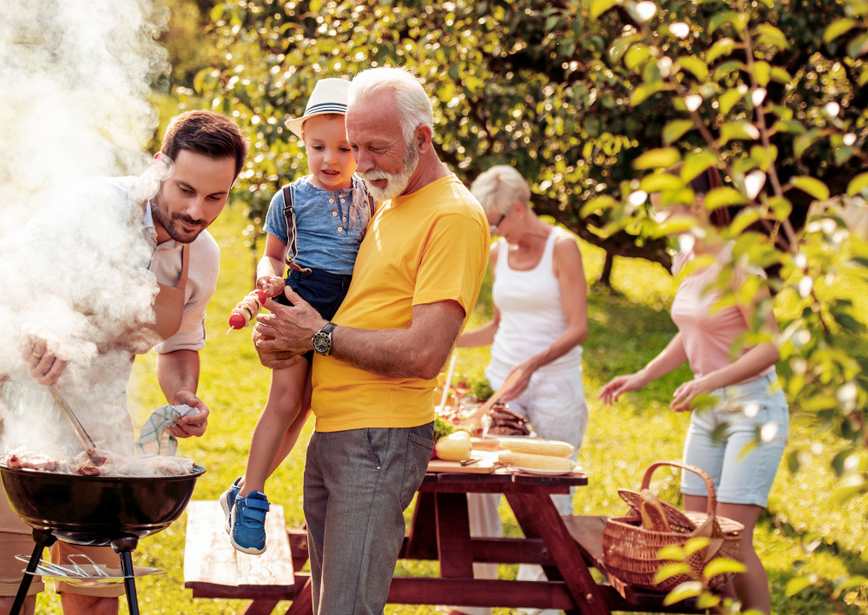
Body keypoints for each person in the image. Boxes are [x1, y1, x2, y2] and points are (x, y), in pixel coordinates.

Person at [0, 110, 249, 615]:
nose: (197, 211)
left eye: (215, 197)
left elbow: (178, 347)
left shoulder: (203, 257)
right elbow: (4, 267)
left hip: (100, 425)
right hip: (11, 405)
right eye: (185, 190)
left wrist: (182, 396)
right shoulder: (95, 207)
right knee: (6, 596)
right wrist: (39, 322)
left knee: (95, 597)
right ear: (159, 167)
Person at [252, 66, 489, 615]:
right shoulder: (385, 199)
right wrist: (286, 339)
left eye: (375, 148)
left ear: (422, 138)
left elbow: (426, 354)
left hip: (379, 441)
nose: (361, 163)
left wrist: (319, 336)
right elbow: (349, 305)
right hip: (335, 430)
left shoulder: (453, 216)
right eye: (355, 146)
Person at [599, 169, 788, 615]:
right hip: (710, 414)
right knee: (698, 544)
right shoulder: (686, 258)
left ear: (700, 204)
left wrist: (709, 381)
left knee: (732, 548)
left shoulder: (740, 264)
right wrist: (643, 375)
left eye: (667, 203)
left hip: (753, 410)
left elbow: (770, 346)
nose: (657, 213)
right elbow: (692, 331)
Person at [222, 78, 374, 555]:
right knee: (286, 402)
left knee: (307, 407)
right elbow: (272, 255)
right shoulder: (288, 199)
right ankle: (251, 498)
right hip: (297, 300)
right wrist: (268, 277)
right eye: (318, 147)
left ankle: (243, 485)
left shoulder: (370, 198)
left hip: (342, 311)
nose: (330, 159)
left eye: (344, 148)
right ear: (303, 143)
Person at [451, 164, 589, 615]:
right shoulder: (497, 253)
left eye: (497, 222)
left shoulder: (562, 248)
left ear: (519, 207)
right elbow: (497, 325)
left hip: (553, 386)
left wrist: (534, 363)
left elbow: (578, 327)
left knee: (550, 497)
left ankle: (540, 607)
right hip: (502, 386)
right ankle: (478, 600)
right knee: (475, 483)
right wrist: (449, 336)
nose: (494, 231)